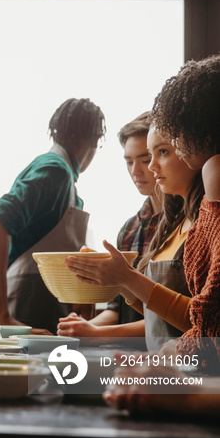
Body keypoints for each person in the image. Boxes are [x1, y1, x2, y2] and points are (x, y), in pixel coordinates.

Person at [64, 124, 203, 353]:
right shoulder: (164, 227)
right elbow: (152, 314)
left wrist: (126, 278)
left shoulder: (206, 225)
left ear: (191, 152)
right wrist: (118, 280)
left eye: (162, 152)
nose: (147, 167)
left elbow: (204, 321)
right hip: (160, 367)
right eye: (129, 161)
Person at [0, 98, 106, 335]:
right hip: (25, 309)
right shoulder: (54, 170)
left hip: (41, 308)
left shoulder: (67, 180)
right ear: (91, 140)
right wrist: (5, 318)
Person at [58, 112, 162, 341]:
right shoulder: (129, 229)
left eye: (145, 160)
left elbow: (170, 320)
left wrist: (97, 333)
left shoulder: (185, 226)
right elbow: (117, 309)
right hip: (124, 352)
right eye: (128, 161)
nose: (135, 171)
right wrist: (80, 329)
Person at [150, 53, 220, 371]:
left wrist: (182, 349)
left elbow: (213, 303)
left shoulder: (215, 170)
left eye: (176, 134)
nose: (176, 144)